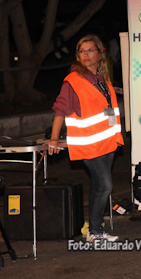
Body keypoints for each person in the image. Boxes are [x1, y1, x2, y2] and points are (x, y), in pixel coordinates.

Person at [48, 34, 123, 242]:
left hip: (106, 141)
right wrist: (53, 139)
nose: (86, 55)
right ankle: (94, 231)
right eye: (82, 51)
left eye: (90, 50)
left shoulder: (102, 78)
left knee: (99, 185)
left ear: (100, 53)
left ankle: (95, 230)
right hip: (88, 143)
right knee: (105, 185)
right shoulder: (73, 80)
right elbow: (60, 110)